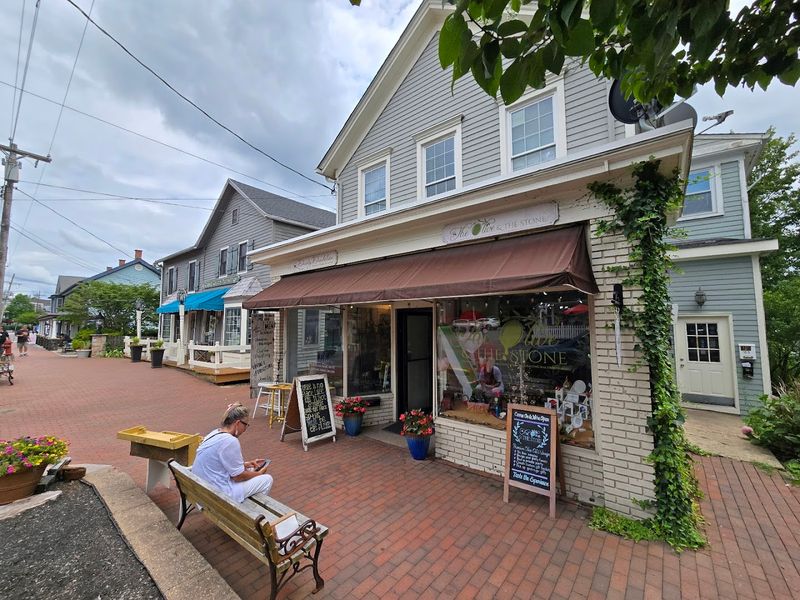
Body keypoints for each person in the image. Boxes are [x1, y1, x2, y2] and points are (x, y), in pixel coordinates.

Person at [191, 403, 273, 503]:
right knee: (267, 479)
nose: (246, 429)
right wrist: (258, 473)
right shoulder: (230, 441)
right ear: (238, 423)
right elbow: (238, 477)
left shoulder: (215, 433)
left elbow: (219, 462)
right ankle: (248, 512)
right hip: (217, 495)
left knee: (249, 469)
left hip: (202, 489)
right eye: (246, 425)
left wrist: (245, 464)